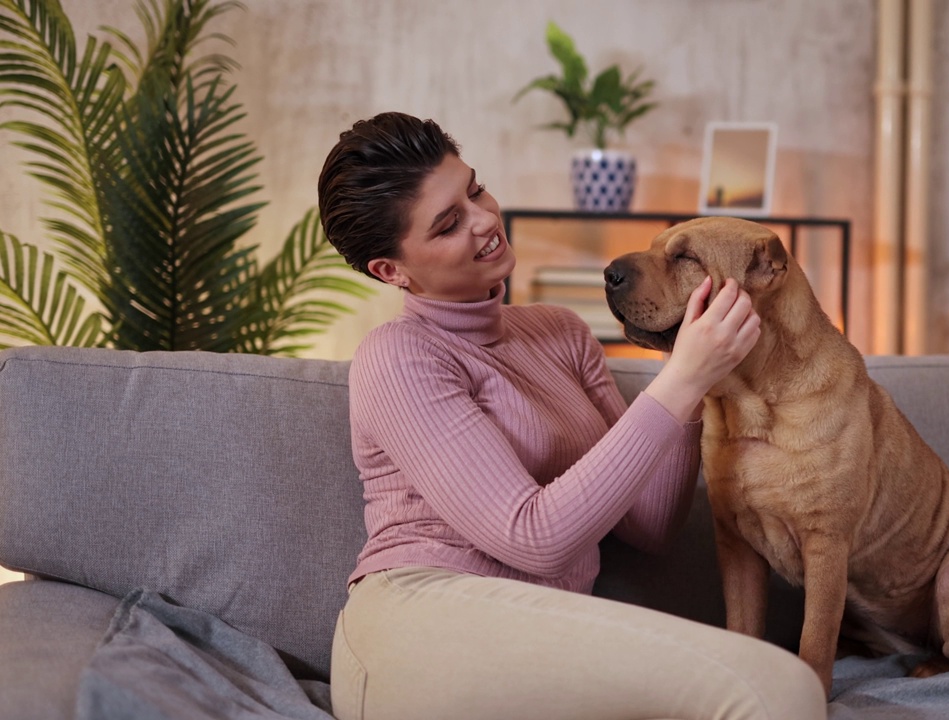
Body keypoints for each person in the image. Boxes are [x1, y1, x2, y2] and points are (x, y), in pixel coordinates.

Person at [317, 111, 827, 720]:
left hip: (533, 627)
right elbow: (534, 539)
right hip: (417, 619)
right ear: (391, 270)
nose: (484, 221)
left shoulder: (559, 332)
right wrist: (683, 377)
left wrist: (694, 381)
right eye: (449, 223)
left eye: (475, 189)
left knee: (779, 683)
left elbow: (652, 526)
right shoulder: (398, 357)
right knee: (778, 690)